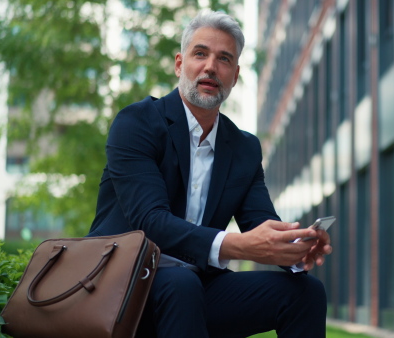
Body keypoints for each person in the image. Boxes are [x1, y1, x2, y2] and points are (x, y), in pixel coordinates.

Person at [87, 10, 333, 338]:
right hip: (123, 285)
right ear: (179, 64)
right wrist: (238, 246)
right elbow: (150, 222)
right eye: (200, 53)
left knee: (306, 292)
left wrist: (294, 246)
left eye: (224, 59)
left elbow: (262, 225)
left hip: (198, 287)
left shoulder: (244, 148)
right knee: (182, 284)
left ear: (235, 75)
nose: (210, 67)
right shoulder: (137, 123)